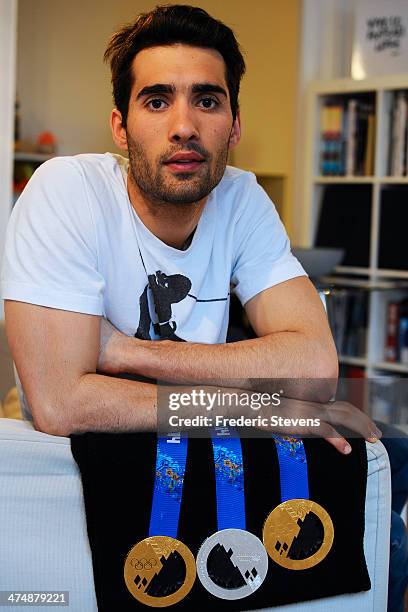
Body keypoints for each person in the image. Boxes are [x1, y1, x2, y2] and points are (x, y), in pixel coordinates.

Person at [1, 5, 376, 454]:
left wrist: (124, 351)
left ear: (234, 127)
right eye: (157, 102)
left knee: (382, 454)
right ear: (121, 127)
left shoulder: (241, 199)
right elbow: (62, 406)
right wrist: (259, 408)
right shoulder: (66, 191)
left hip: (195, 453)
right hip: (75, 466)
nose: (183, 127)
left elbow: (314, 370)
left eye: (207, 101)